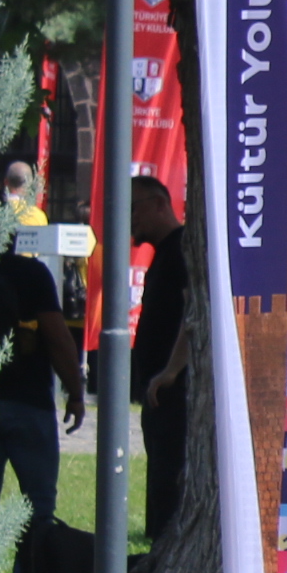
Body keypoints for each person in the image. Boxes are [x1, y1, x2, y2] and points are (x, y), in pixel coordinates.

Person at [0, 173, 83, 542]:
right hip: (28, 399)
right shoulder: (32, 274)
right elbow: (57, 336)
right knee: (39, 506)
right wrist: (75, 392)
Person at [126, 173, 191, 544]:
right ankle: (158, 542)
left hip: (175, 388)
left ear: (159, 204)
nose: (130, 218)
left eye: (134, 208)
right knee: (159, 469)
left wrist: (172, 368)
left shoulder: (181, 247)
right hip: (157, 391)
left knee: (170, 471)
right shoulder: (162, 255)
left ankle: (167, 541)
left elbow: (192, 309)